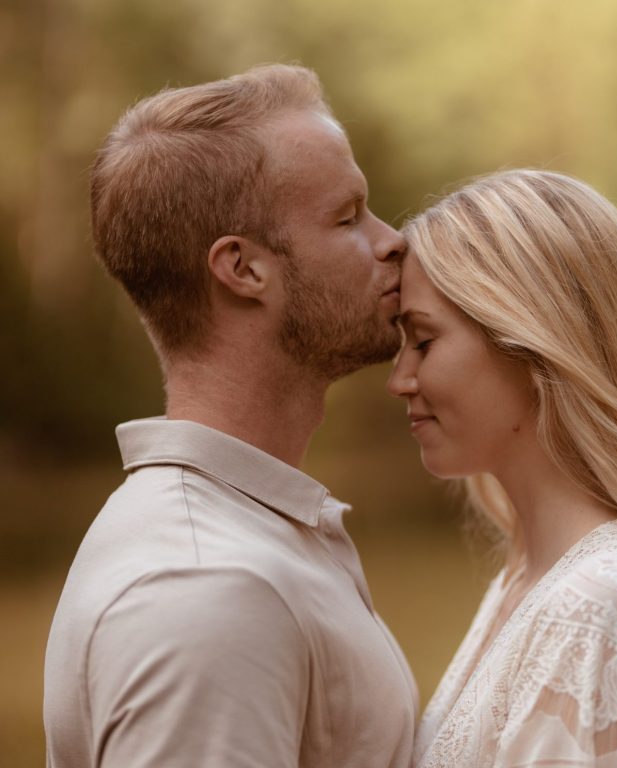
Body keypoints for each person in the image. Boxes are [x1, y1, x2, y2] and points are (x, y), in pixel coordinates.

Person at [44, 64, 417, 768]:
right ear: (243, 269)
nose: (392, 240)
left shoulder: (241, 540)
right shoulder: (206, 589)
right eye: (347, 218)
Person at [388, 169, 617, 767]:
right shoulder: (530, 579)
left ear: (534, 341)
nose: (399, 380)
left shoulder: (603, 605)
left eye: (424, 341)